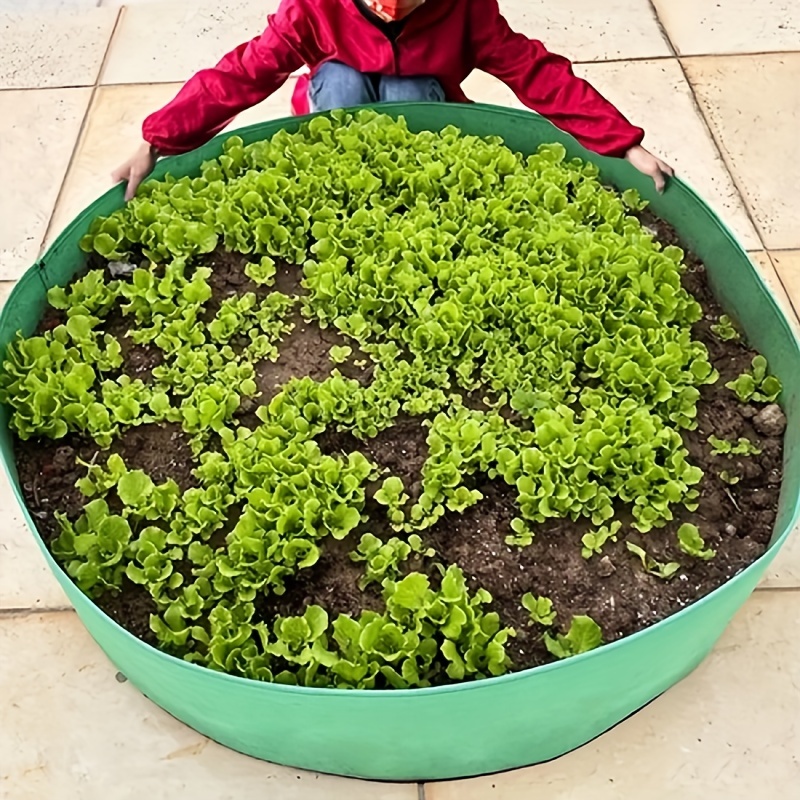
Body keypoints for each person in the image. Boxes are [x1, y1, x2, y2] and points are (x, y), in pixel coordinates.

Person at [113, 0, 674, 201]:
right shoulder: (314, 6)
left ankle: (414, 195)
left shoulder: (465, 9)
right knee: (341, 87)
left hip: (424, 102)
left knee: (410, 94)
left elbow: (534, 71)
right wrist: (156, 140)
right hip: (338, 98)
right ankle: (338, 190)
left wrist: (623, 144)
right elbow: (242, 73)